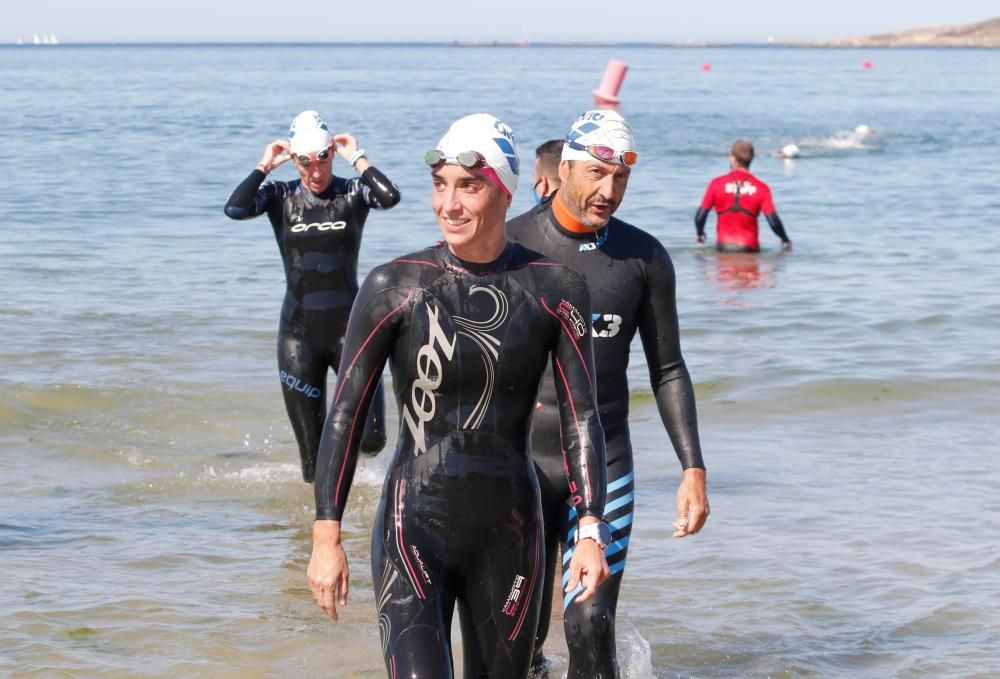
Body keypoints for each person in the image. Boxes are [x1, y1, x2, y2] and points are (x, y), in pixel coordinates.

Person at [306, 113, 612, 679]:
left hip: (512, 533)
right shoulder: (393, 287)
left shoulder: (555, 291)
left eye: (468, 186)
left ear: (504, 190)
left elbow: (581, 415)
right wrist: (327, 533)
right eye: (440, 185)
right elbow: (345, 413)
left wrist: (590, 526)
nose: (450, 204)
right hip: (411, 524)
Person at [506, 109, 710, 679]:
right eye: (596, 174)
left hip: (605, 459)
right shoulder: (512, 245)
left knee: (590, 623)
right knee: (515, 633)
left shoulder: (644, 259)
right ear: (565, 167)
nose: (609, 190)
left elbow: (668, 369)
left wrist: (692, 467)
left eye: (620, 178)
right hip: (515, 461)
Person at [224, 110, 400, 482]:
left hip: (350, 330)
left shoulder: (352, 192)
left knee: (372, 440)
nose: (315, 171)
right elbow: (235, 209)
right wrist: (264, 165)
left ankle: (353, 482)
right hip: (298, 335)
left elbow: (390, 197)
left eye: (322, 159)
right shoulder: (280, 195)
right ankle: (314, 530)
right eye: (305, 162)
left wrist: (358, 157)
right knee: (311, 464)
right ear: (294, 159)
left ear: (331, 155)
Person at [695, 140, 792, 252]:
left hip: (723, 248)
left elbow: (701, 216)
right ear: (751, 159)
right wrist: (784, 239)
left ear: (733, 159)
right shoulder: (761, 187)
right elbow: (773, 220)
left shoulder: (716, 184)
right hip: (749, 249)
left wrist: (700, 233)